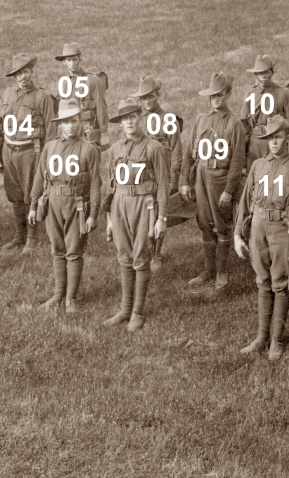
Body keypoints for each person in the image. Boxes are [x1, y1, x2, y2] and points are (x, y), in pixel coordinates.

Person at [234, 115, 289, 360]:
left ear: (287, 137)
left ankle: (277, 338)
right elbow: (245, 201)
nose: (274, 142)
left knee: (280, 281)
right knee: (262, 280)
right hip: (258, 226)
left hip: (282, 228)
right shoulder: (258, 165)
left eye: (278, 137)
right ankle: (261, 336)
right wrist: (237, 233)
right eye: (270, 138)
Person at [101, 98, 171, 332]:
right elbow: (110, 185)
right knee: (124, 255)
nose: (129, 122)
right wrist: (109, 218)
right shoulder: (114, 150)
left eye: (133, 117)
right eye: (125, 119)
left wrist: (161, 218)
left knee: (141, 256)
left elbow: (163, 185)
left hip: (144, 205)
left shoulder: (154, 148)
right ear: (120, 123)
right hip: (119, 204)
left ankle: (137, 312)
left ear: (140, 119)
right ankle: (124, 309)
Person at [28, 99, 102, 314]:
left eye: (74, 120)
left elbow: (95, 184)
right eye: (66, 121)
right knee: (57, 248)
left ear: (80, 121)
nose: (70, 125)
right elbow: (39, 177)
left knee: (74, 250)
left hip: (76, 204)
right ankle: (58, 294)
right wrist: (33, 205)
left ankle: (71, 298)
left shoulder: (88, 149)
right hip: (52, 202)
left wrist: (93, 214)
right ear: (59, 123)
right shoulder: (50, 147)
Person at [179, 72, 248, 292]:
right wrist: (184, 181)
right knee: (204, 221)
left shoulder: (235, 124)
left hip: (221, 178)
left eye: (220, 95)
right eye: (213, 95)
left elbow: (237, 161)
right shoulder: (201, 119)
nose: (216, 99)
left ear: (228, 94)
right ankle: (208, 270)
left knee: (221, 224)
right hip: (201, 176)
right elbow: (188, 153)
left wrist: (228, 190)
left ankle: (222, 271)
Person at [0, 53, 57, 253]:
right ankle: (19, 236)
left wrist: (47, 158)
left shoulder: (42, 96)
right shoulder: (7, 94)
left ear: (31, 72)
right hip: (9, 150)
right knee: (15, 195)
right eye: (18, 73)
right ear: (14, 76)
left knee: (31, 194)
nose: (22, 77)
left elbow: (51, 130)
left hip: (30, 151)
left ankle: (32, 238)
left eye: (26, 72)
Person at [131, 75, 185, 272]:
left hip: (162, 174)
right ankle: (144, 248)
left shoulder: (168, 119)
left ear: (158, 96)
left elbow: (177, 150)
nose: (147, 101)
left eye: (151, 96)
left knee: (160, 212)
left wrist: (174, 179)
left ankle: (157, 253)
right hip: (142, 175)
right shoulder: (138, 119)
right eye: (143, 98)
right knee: (142, 211)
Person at [241, 54, 289, 167]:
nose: (263, 75)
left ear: (272, 72)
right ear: (255, 74)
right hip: (254, 144)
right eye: (260, 72)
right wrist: (242, 149)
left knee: (277, 173)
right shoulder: (250, 95)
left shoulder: (284, 94)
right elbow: (243, 124)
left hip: (275, 141)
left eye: (266, 72)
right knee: (254, 174)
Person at [53, 43, 109, 149]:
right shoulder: (64, 83)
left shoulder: (93, 80)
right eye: (69, 60)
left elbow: (101, 108)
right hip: (69, 133)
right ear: (64, 62)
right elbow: (59, 112)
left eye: (75, 59)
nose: (72, 63)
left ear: (80, 59)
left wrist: (104, 133)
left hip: (87, 132)